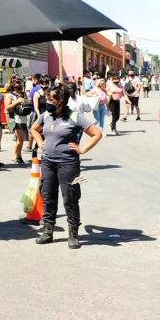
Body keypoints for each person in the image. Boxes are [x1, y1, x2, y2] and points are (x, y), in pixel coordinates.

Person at [29, 84, 103, 249]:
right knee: (48, 196)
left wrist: (82, 149)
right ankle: (48, 232)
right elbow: (33, 129)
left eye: (51, 99)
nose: (47, 101)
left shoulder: (75, 116)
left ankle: (73, 234)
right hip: (48, 162)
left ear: (61, 101)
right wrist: (41, 143)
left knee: (70, 198)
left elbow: (96, 134)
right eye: (47, 98)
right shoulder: (47, 115)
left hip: (68, 164)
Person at [4, 78, 30, 164]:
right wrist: (17, 101)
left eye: (20, 82)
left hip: (23, 117)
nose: (19, 84)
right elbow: (7, 107)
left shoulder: (23, 93)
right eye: (17, 82)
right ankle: (16, 156)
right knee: (20, 138)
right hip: (13, 118)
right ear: (12, 84)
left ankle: (18, 156)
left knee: (21, 139)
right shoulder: (9, 95)